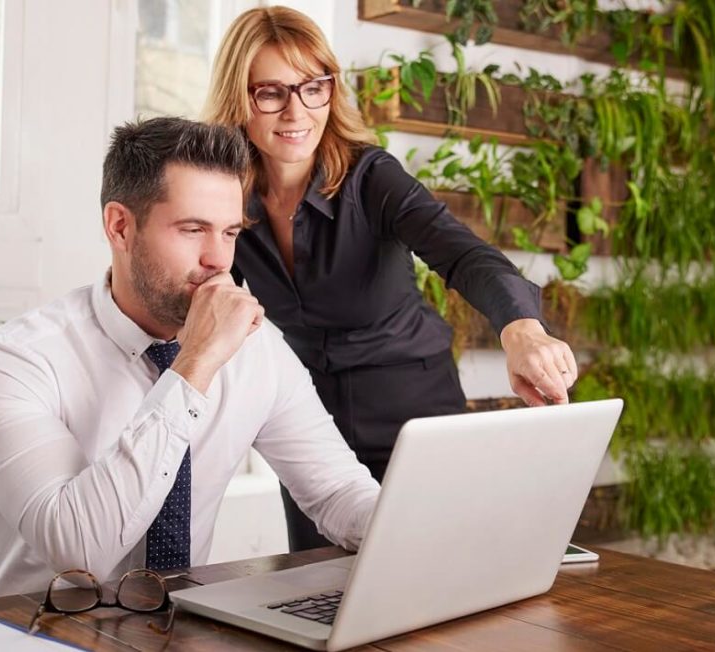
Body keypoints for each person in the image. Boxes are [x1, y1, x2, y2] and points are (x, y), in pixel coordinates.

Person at [203, 6, 579, 551]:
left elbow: (465, 255)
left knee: (438, 576)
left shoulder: (370, 177)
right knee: (319, 593)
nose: (297, 111)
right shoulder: (224, 195)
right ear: (239, 97)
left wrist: (523, 328)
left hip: (413, 411)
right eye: (271, 92)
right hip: (308, 427)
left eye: (314, 87)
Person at [0, 117, 379, 600]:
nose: (219, 261)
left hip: (180, 630)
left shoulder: (258, 348)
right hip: (39, 633)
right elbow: (79, 554)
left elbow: (337, 492)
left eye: (230, 232)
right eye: (193, 229)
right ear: (120, 226)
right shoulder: (13, 360)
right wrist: (196, 361)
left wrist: (417, 536)